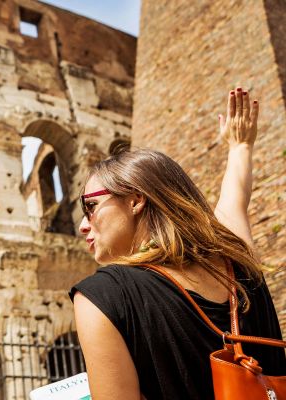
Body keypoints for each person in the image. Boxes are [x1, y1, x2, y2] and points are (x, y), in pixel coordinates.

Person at [70, 88, 286, 399]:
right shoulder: (237, 259)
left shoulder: (101, 297)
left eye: (90, 206)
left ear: (135, 199)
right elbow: (235, 200)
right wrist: (240, 146)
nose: (82, 225)